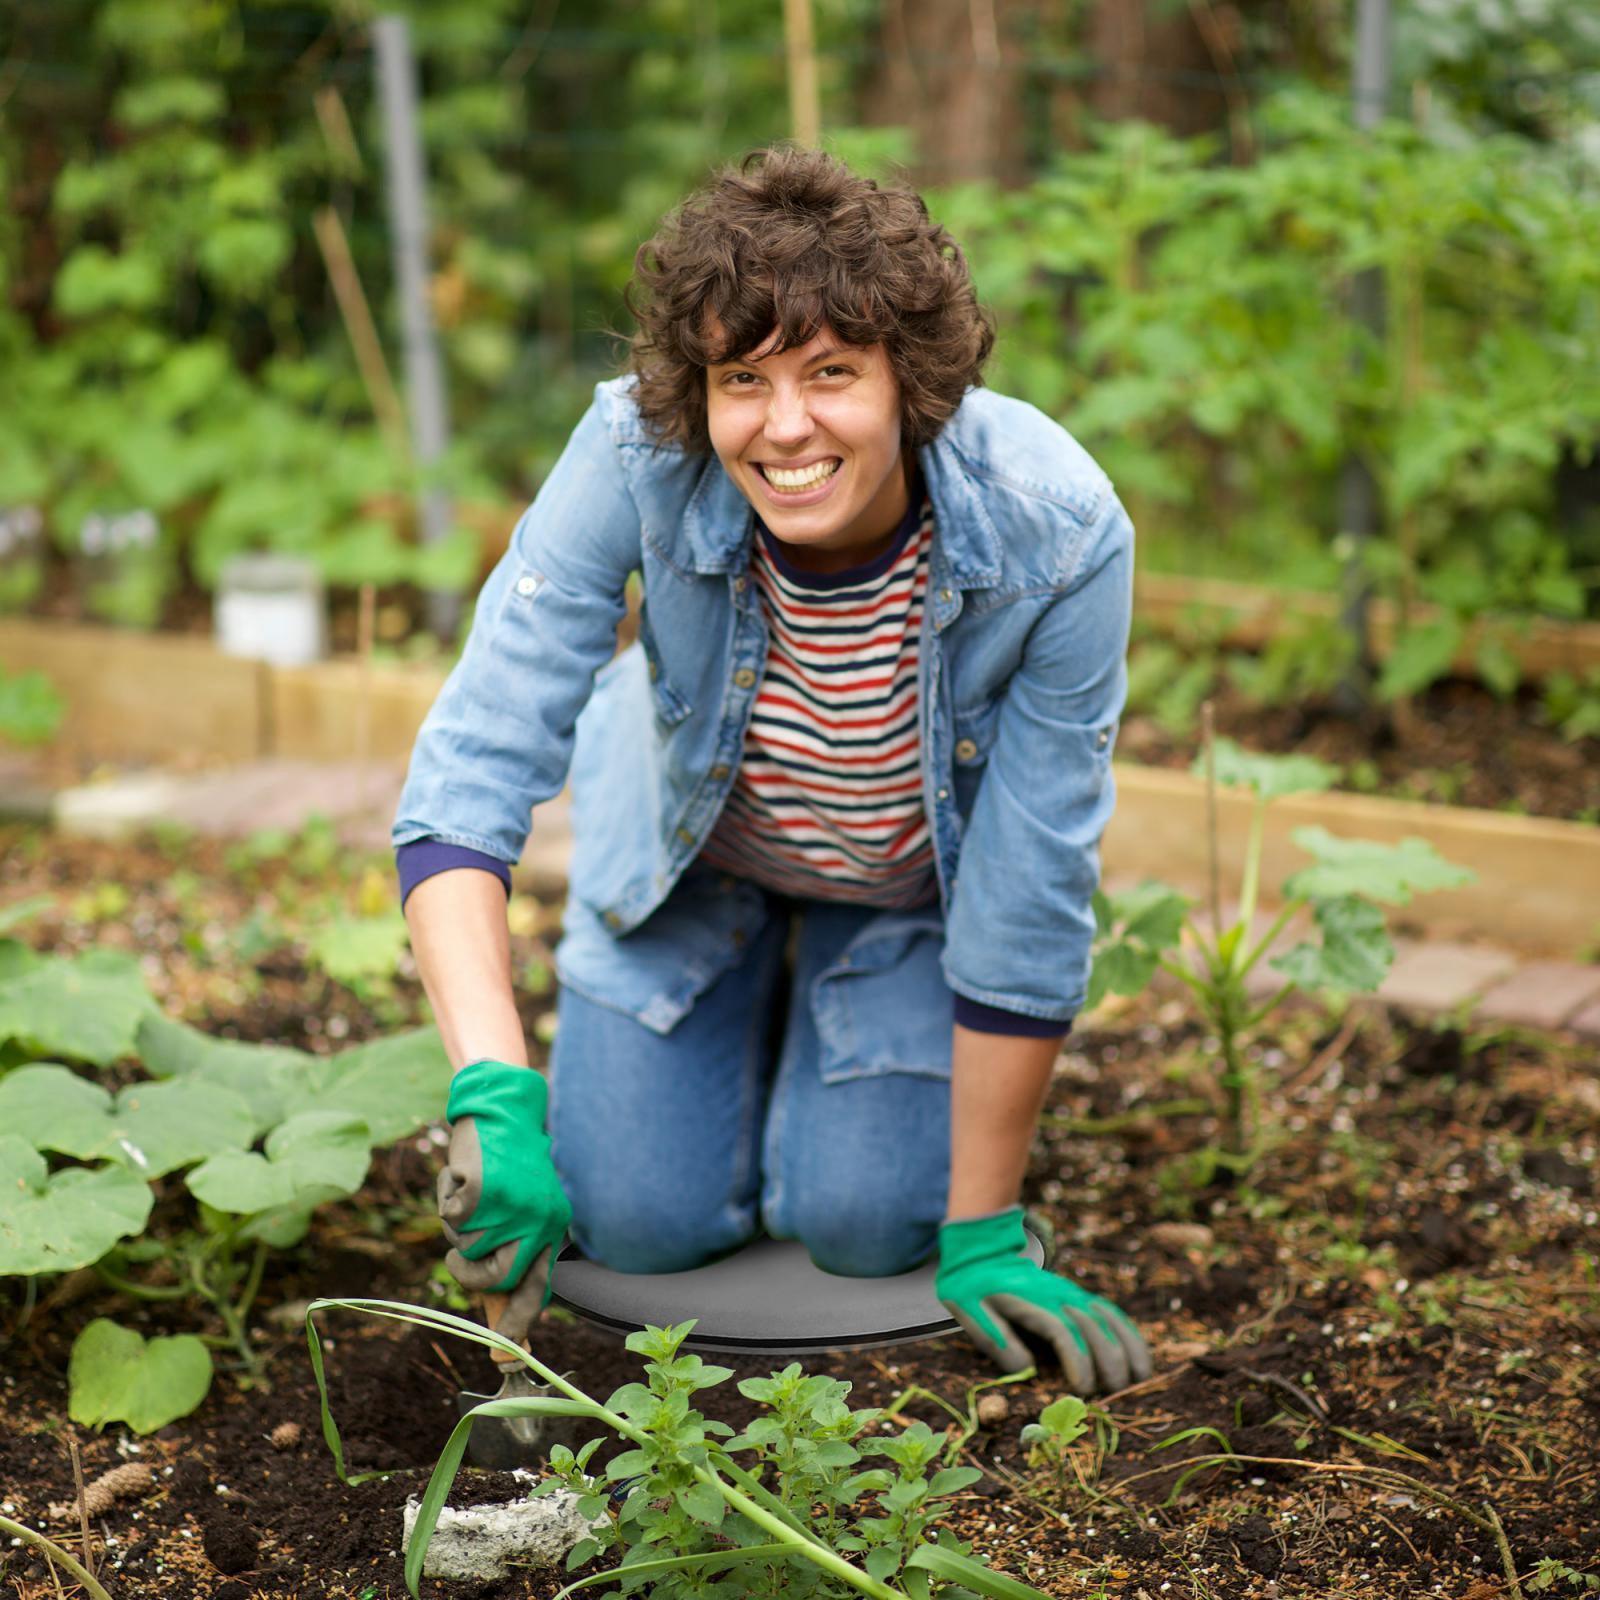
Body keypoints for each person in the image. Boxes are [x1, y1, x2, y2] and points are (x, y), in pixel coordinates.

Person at [394, 146, 1152, 1397]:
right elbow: (470, 765)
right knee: (635, 1220)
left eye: (831, 374)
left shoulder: (1057, 526)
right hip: (684, 874)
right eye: (740, 378)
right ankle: (737, 992)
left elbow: (1033, 876)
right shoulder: (634, 452)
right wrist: (492, 1088)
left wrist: (983, 1226)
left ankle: (833, 995)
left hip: (905, 898)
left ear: (914, 380)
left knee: (864, 1227)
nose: (783, 425)